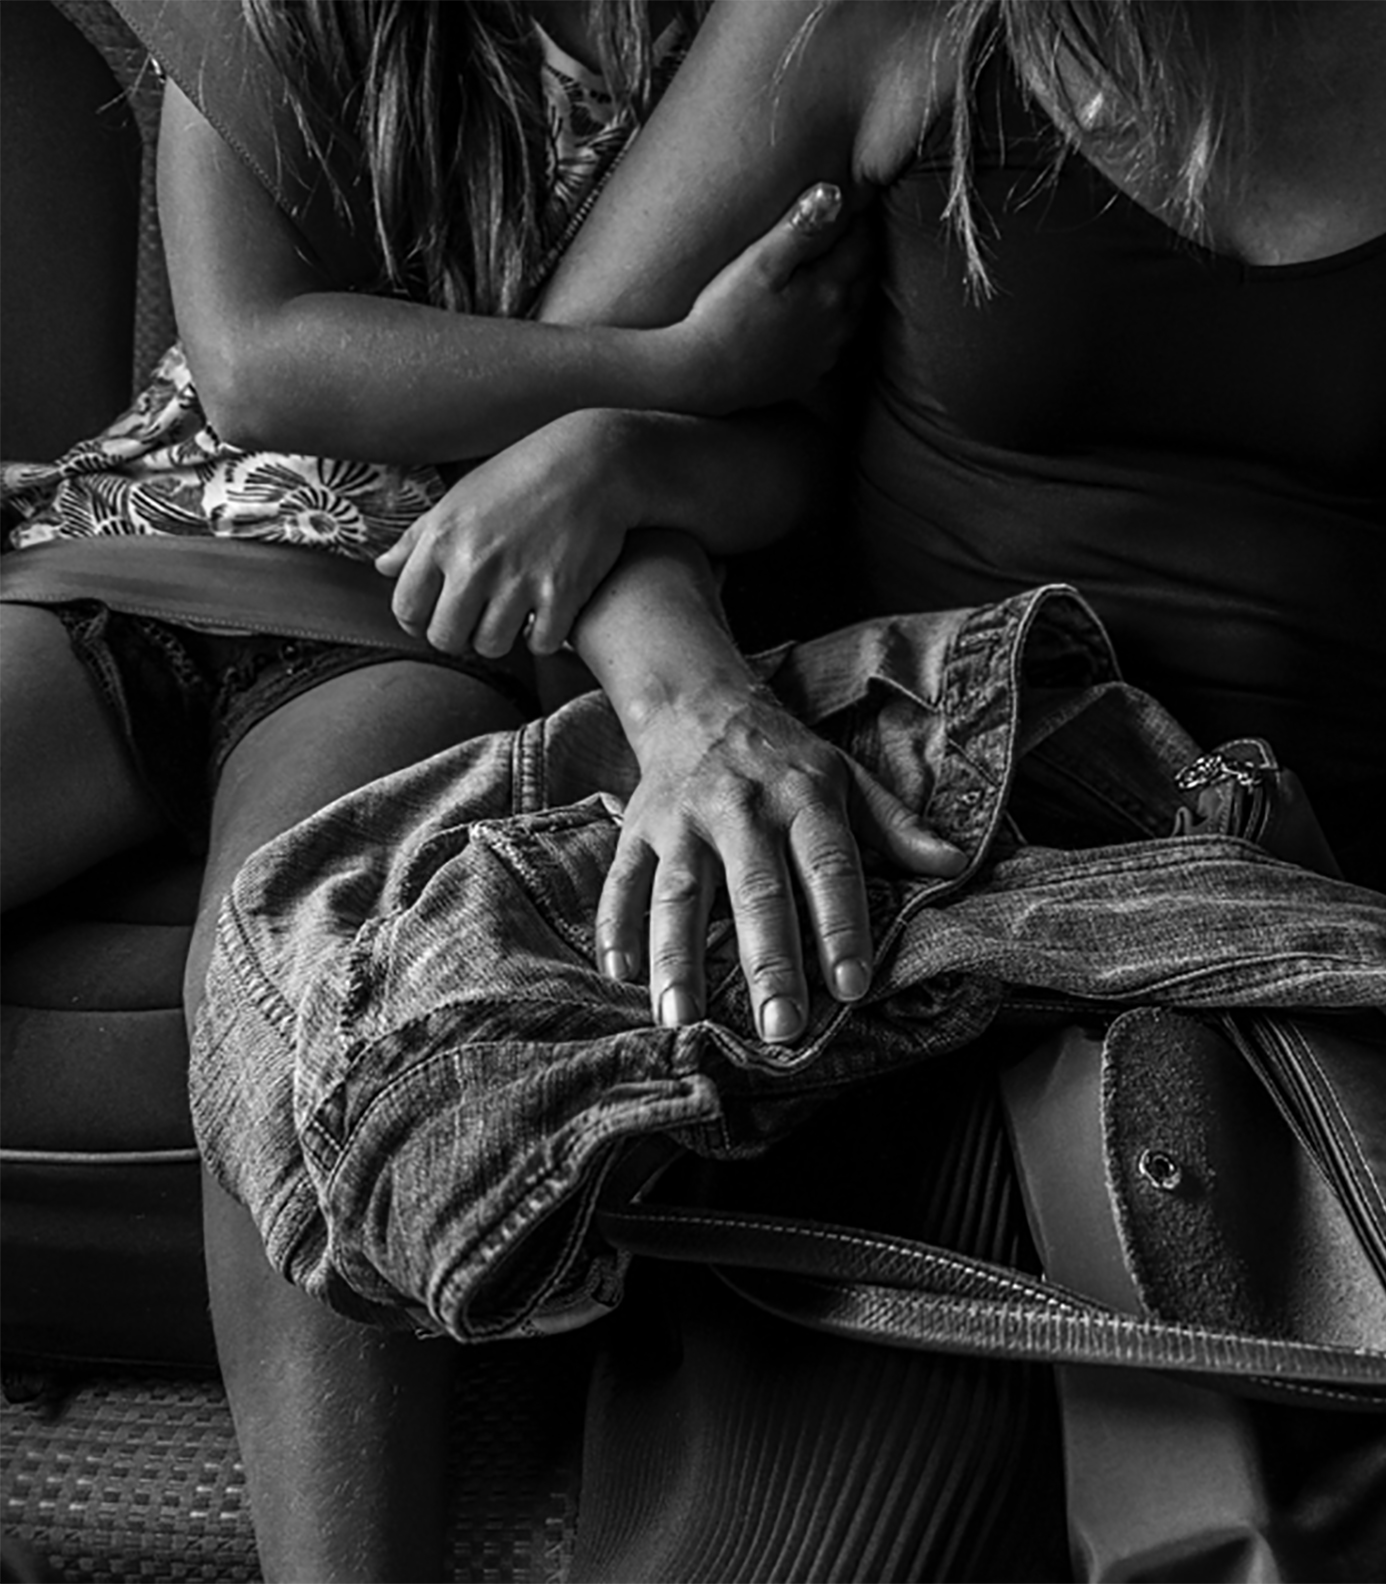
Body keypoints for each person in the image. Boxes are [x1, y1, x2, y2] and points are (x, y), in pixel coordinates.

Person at [324, 0, 1386, 1573]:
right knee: (853, 1528)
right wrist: (694, 709)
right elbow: (561, 429)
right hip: (939, 865)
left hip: (1326, 904)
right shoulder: (879, 19)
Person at [0, 1, 867, 1575]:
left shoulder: (761, 55)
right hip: (138, 555)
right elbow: (261, 364)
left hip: (407, 632)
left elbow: (791, 450)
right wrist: (664, 364)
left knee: (295, 989)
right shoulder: (289, 17)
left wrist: (658, 426)